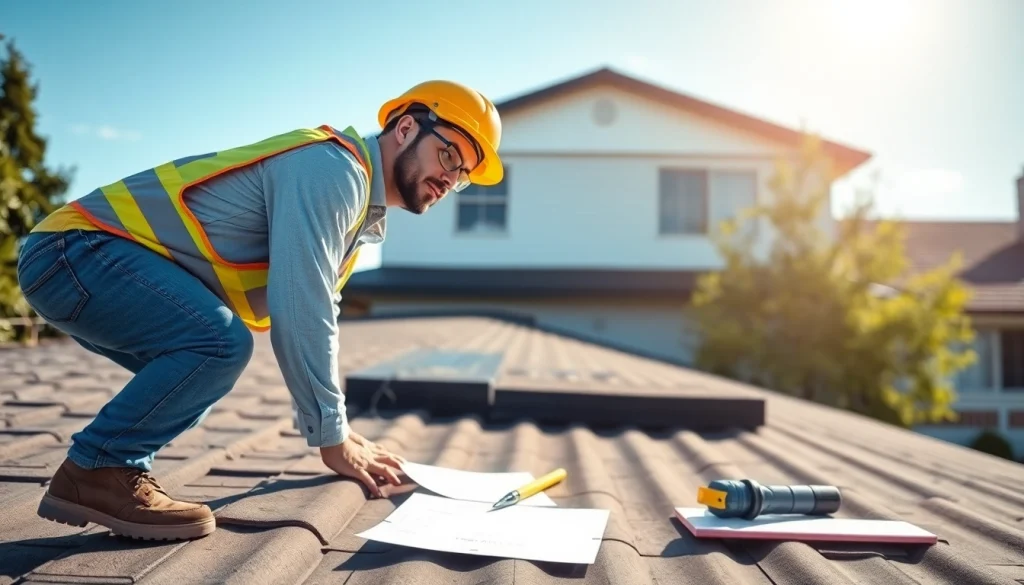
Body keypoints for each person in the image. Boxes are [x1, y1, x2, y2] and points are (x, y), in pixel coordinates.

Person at [15, 80, 504, 541]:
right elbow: (302, 304)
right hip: (73, 252)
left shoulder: (357, 219)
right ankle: (98, 467)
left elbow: (317, 311)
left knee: (196, 378)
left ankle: (108, 468)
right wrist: (331, 437)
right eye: (449, 154)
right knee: (219, 346)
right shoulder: (335, 170)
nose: (450, 177)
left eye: (462, 175)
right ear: (405, 128)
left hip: (76, 264)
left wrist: (341, 427)